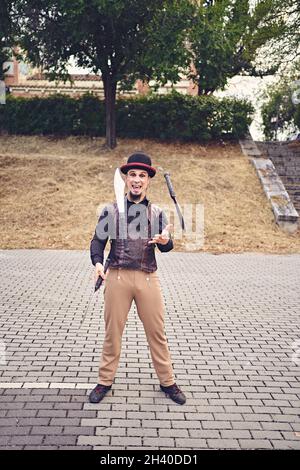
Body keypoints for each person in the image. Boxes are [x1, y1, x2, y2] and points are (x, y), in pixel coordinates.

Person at [89, 152, 186, 405]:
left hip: (147, 279)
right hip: (117, 278)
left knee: (157, 332)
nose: (137, 179)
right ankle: (104, 381)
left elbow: (166, 246)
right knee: (113, 333)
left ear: (148, 180)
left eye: (142, 175)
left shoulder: (157, 213)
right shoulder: (111, 210)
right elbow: (97, 241)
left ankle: (168, 382)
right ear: (126, 178)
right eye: (132, 174)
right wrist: (98, 263)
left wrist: (166, 242)